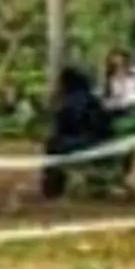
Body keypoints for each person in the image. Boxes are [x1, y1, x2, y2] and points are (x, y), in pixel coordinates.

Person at [42, 65, 117, 199]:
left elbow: (62, 128)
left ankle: (53, 187)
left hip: (79, 142)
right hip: (101, 142)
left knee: (52, 144)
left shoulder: (67, 103)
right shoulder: (94, 100)